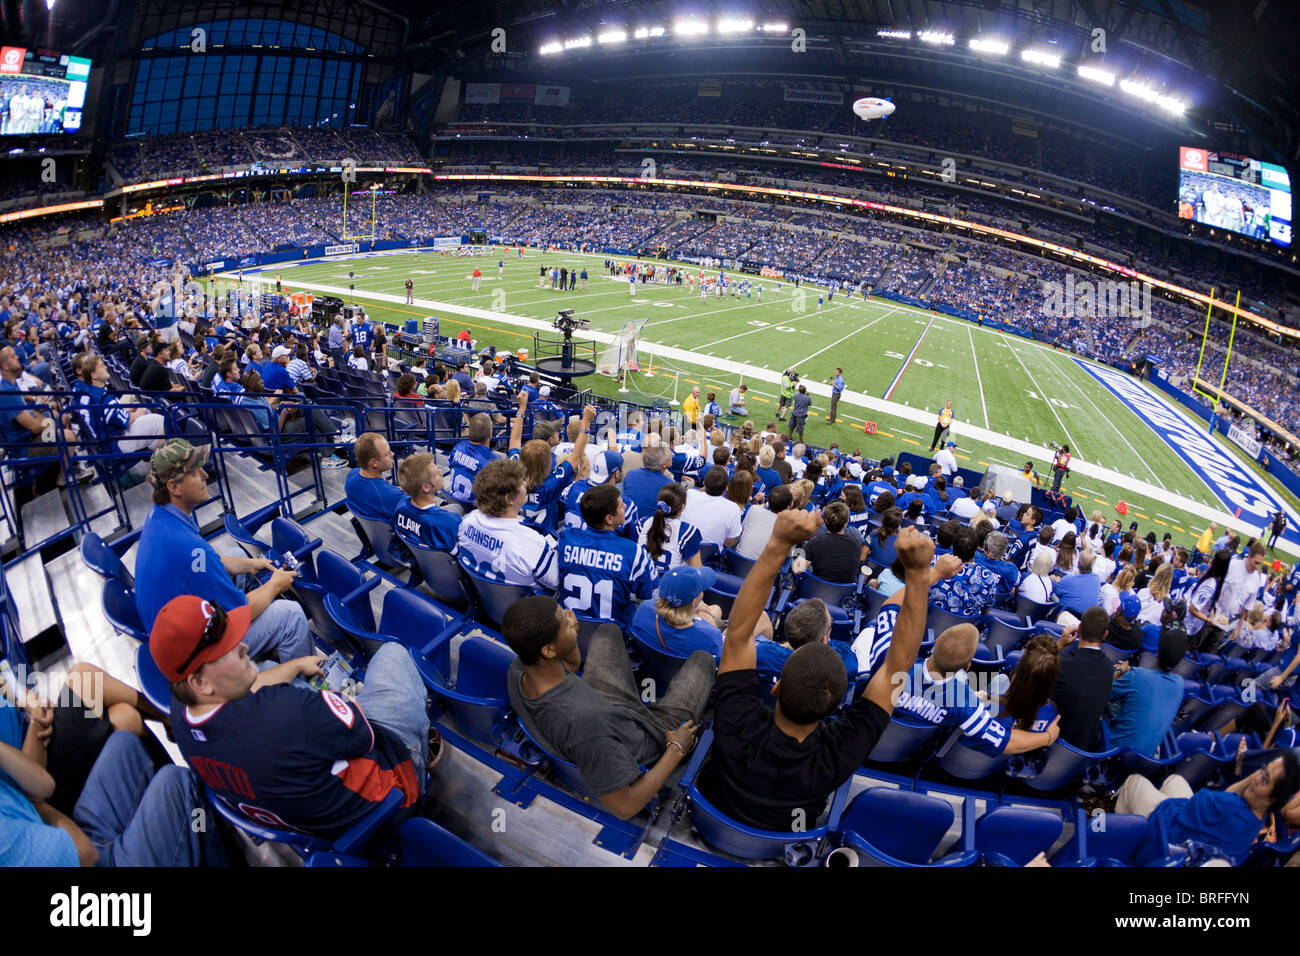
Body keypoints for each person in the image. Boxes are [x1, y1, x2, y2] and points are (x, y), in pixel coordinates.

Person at [699, 518, 941, 831]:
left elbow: (738, 635)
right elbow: (897, 668)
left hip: (709, 816)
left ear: (775, 689)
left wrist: (778, 543)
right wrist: (920, 576)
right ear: (837, 706)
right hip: (782, 840)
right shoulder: (842, 750)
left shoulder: (737, 719)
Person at [153, 594, 431, 840]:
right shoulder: (285, 712)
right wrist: (341, 703)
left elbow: (256, 692)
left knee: (275, 667)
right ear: (200, 683)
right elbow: (363, 735)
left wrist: (295, 665)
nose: (244, 648)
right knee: (393, 654)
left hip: (303, 822)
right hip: (386, 803)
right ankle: (423, 752)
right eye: (227, 650)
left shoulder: (179, 712)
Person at [502, 595, 713, 820]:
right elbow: (625, 807)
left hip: (605, 706)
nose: (570, 615)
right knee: (703, 660)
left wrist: (571, 640)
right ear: (549, 650)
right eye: (564, 619)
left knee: (607, 631)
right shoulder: (587, 726)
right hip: (652, 737)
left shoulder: (518, 670)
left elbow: (569, 668)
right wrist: (675, 749)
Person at [133, 439, 312, 662]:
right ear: (174, 487)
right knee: (291, 614)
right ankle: (306, 684)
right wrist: (275, 585)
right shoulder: (187, 547)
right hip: (195, 654)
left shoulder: (161, 516)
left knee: (238, 557)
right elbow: (238, 612)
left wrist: (251, 564)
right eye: (195, 472)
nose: (205, 476)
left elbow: (202, 563)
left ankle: (267, 643)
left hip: (175, 629)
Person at [1114, 752, 1298, 864]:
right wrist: (1258, 777)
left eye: (1265, 780)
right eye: (1263, 769)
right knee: (1175, 780)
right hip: (1193, 840)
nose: (1257, 777)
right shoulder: (1258, 819)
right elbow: (1226, 796)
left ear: (1270, 800)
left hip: (1164, 835)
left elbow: (1203, 801)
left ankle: (1121, 842)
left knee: (1134, 781)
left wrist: (1251, 778)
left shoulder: (1231, 807)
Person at [555, 483, 657, 630]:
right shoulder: (633, 552)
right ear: (609, 519)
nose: (625, 508)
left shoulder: (566, 539)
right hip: (613, 634)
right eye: (621, 506)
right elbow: (647, 593)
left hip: (570, 627)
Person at [455, 457, 559, 590]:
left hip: (482, 597)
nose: (525, 485)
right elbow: (556, 582)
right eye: (521, 483)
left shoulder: (467, 521)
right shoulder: (532, 543)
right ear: (509, 498)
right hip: (524, 607)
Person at [1106, 629, 1188, 756]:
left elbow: (1104, 693)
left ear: (1157, 653)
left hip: (1115, 751)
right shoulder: (1179, 684)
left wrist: (1119, 672)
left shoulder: (1137, 675)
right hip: (1146, 760)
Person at [1050, 607, 1114, 750]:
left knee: (1000, 680)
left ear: (1079, 628)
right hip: (1081, 755)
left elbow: (1031, 666)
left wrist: (1059, 644)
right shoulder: (1109, 668)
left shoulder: (1061, 662)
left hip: (1049, 743)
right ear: (1105, 635)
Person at [393, 452, 461, 553]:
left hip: (419, 559)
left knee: (457, 508)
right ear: (426, 487)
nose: (441, 472)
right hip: (442, 566)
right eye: (436, 473)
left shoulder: (399, 507)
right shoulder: (450, 522)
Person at [637, 482, 703, 575]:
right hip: (669, 588)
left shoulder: (642, 523)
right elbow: (697, 574)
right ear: (682, 507)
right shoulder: (687, 532)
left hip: (641, 586)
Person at [795, 501, 863, 585]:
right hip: (844, 594)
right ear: (845, 523)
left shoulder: (814, 542)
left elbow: (797, 570)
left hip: (815, 589)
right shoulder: (856, 542)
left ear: (825, 521)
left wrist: (797, 549)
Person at [345, 432, 406, 521]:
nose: (392, 454)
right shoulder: (393, 496)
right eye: (387, 454)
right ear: (374, 462)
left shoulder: (351, 475)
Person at [682, 465, 742, 549]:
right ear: (725, 488)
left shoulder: (689, 494)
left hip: (683, 548)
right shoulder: (733, 508)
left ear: (704, 483)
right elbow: (729, 542)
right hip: (708, 557)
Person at [446, 412, 497, 509]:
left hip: (454, 502)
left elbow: (450, 464)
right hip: (476, 510)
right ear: (490, 433)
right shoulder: (493, 461)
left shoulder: (458, 447)